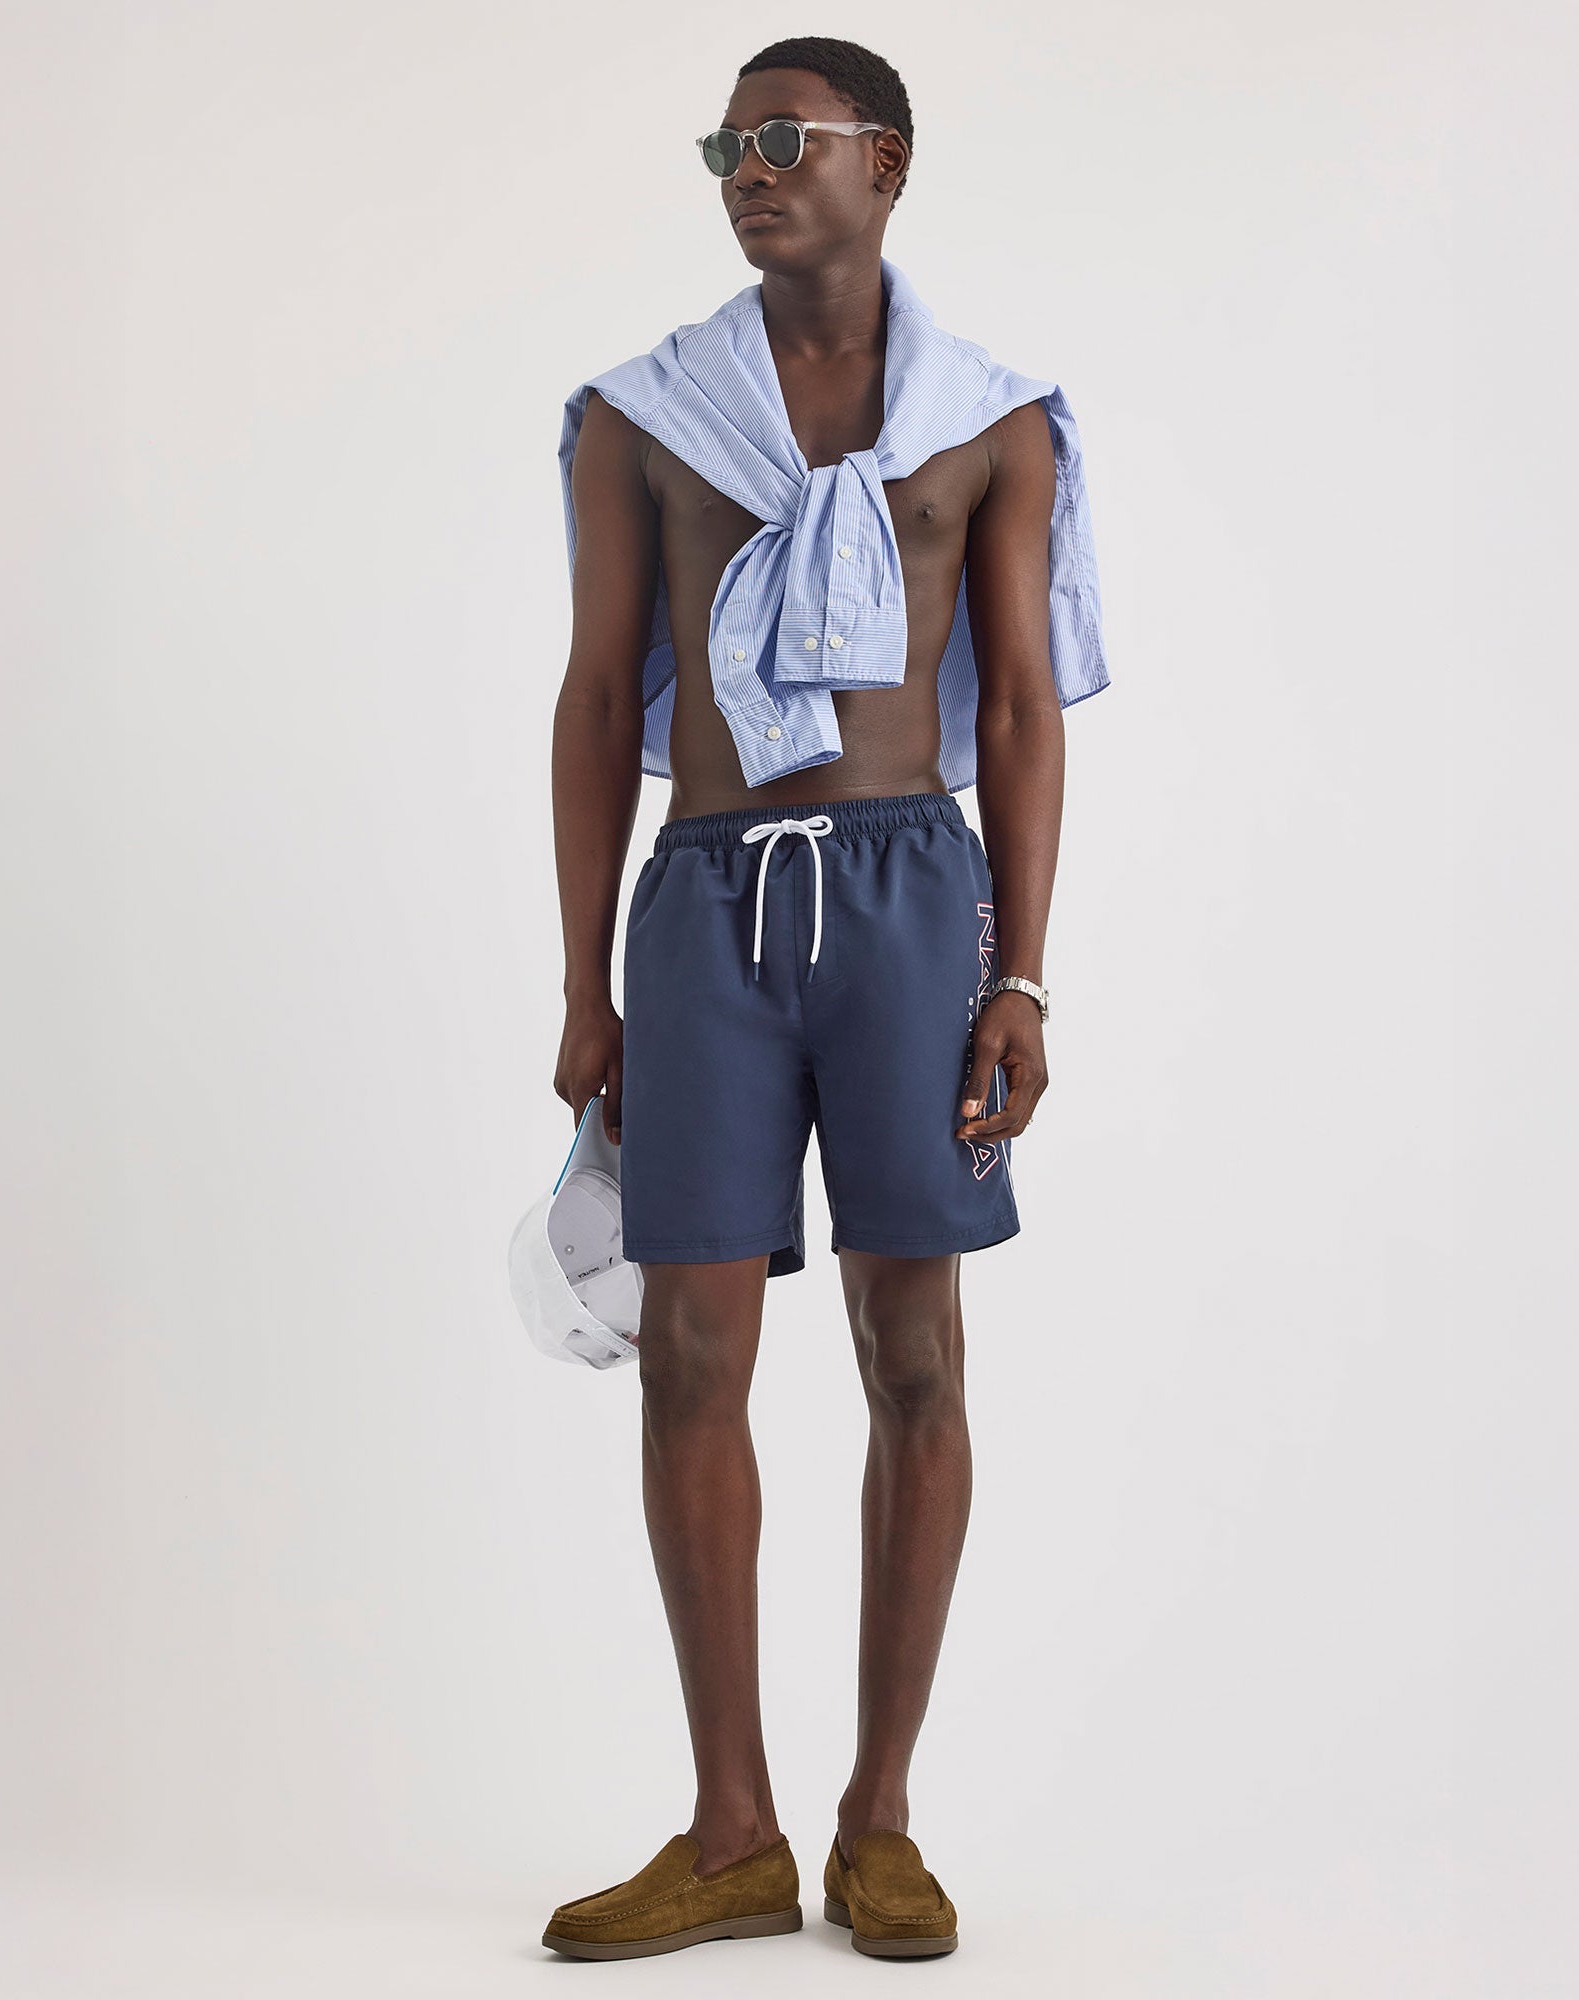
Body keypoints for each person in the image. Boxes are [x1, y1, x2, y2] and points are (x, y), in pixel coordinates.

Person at [540, 35, 1108, 1961]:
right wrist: (583, 983)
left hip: (907, 897)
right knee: (691, 1355)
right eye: (729, 144)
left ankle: (881, 1823)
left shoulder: (990, 420)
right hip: (705, 900)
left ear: (890, 160)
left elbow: (1018, 710)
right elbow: (591, 696)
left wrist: (1020, 972)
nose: (750, 169)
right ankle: (731, 1831)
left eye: (786, 138)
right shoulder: (646, 417)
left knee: (916, 1351)